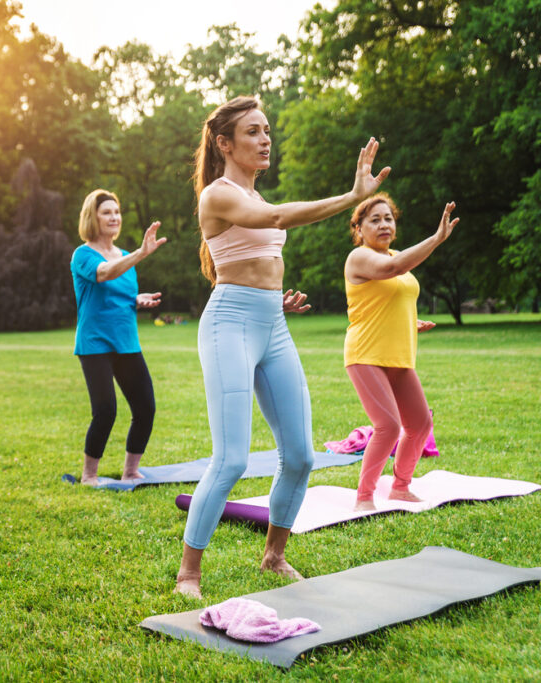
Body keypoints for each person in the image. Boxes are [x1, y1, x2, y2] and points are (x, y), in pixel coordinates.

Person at [176, 96, 390, 597]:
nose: (265, 139)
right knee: (230, 460)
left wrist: (275, 301)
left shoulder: (252, 197)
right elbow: (274, 220)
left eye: (267, 130)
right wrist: (351, 196)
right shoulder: (217, 195)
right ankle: (189, 572)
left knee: (300, 456)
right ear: (225, 144)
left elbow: (261, 251)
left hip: (271, 324)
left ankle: (274, 556)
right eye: (253, 131)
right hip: (228, 324)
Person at [344, 193, 458, 511]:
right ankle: (364, 497)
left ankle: (401, 488)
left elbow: (391, 297)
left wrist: (410, 321)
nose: (384, 224)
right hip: (366, 355)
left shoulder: (395, 255)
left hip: (397, 355)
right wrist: (436, 239)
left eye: (388, 218)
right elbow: (393, 268)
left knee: (420, 423)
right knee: (388, 426)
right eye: (375, 219)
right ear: (359, 228)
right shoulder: (360, 257)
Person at [70, 189, 165, 486]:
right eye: (106, 212)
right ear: (93, 218)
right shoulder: (83, 254)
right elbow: (104, 275)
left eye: (116, 212)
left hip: (126, 341)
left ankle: (131, 470)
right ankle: (89, 475)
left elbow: (118, 292)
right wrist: (141, 253)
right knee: (106, 411)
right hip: (95, 343)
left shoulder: (124, 256)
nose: (114, 217)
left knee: (145, 407)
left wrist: (137, 300)